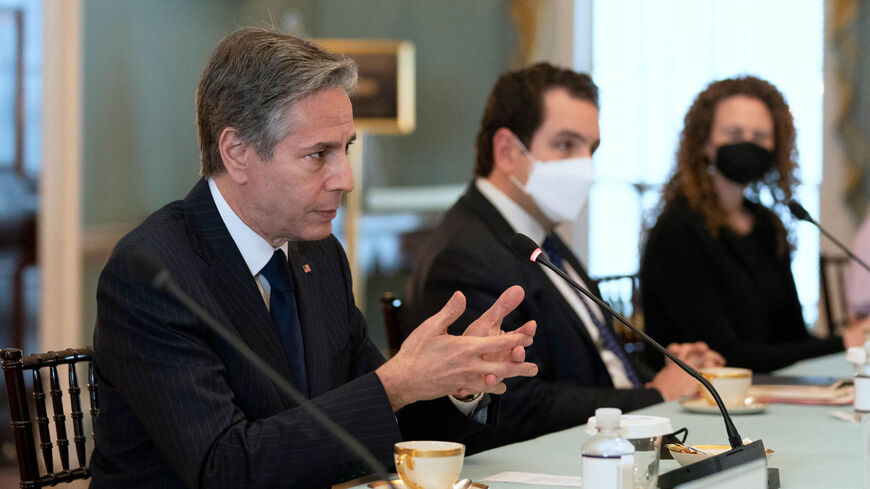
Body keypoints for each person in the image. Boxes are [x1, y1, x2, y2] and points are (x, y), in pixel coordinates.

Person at [89, 28, 539, 489]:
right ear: (237, 153)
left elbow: (381, 420)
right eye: (317, 154)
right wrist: (396, 384)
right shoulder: (152, 274)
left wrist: (455, 382)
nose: (344, 178)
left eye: (345, 149)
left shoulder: (318, 254)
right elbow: (224, 469)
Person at [404, 63, 722, 449]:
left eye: (591, 149)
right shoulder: (466, 255)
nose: (585, 167)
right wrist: (655, 395)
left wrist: (672, 371)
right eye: (566, 145)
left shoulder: (540, 236)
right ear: (507, 151)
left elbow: (602, 354)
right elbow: (516, 406)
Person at [641, 75, 868, 373]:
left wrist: (851, 342)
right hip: (697, 402)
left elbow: (792, 337)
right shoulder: (677, 231)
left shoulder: (767, 225)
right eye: (734, 134)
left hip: (767, 394)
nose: (748, 145)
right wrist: (844, 342)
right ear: (704, 143)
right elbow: (726, 355)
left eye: (760, 137)